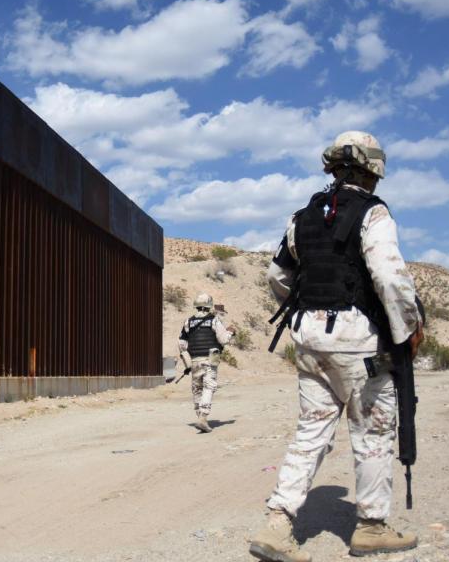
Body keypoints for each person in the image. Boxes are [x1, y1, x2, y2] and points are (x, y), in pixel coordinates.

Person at [249, 131, 425, 561]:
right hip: (357, 340)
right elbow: (388, 277)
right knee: (373, 431)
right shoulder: (373, 212)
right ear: (373, 170)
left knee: (311, 431)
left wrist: (305, 312)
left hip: (308, 337)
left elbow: (277, 277)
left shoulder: (303, 216)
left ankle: (277, 524)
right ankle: (371, 527)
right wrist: (408, 330)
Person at [177, 293, 233, 433]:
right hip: (209, 361)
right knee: (209, 387)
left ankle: (200, 417)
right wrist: (231, 332)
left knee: (197, 389)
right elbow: (224, 340)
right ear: (209, 306)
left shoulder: (188, 321)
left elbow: (182, 344)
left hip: (195, 360)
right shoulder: (214, 320)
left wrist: (187, 363)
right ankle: (203, 417)